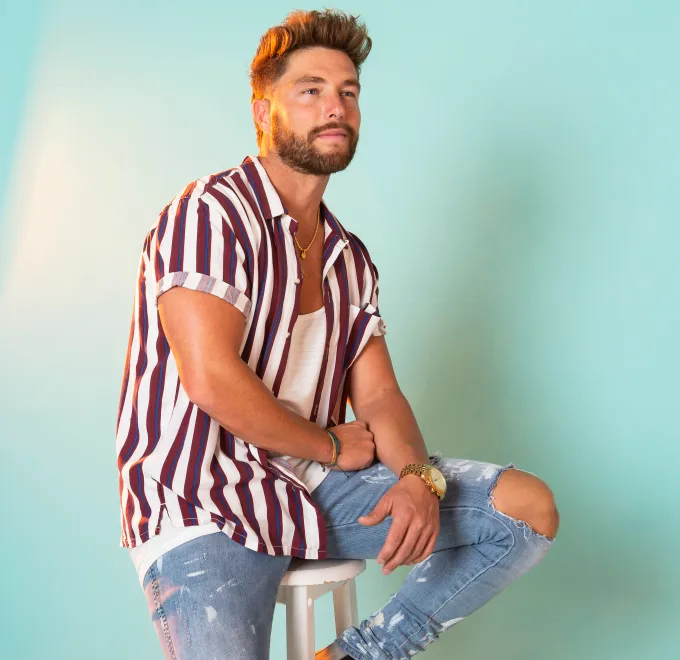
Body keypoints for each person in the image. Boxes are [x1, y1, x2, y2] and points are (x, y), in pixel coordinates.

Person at [115, 8, 560, 659]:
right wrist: (326, 444)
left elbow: (378, 396)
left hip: (314, 487)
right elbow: (211, 380)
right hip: (204, 500)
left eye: (348, 92)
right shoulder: (209, 214)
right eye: (311, 90)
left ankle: (359, 653)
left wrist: (417, 477)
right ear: (263, 110)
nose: (336, 107)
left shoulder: (348, 258)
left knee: (525, 510)